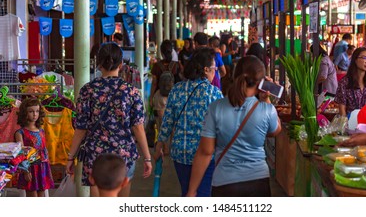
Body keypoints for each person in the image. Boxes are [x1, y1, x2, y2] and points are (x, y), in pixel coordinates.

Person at [186, 56, 281, 197]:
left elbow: (205, 152)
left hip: (224, 183)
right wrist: (266, 99)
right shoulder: (267, 109)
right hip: (258, 182)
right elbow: (275, 130)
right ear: (261, 82)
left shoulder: (215, 108)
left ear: (235, 75)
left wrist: (192, 190)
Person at [66, 42, 152, 197]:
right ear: (121, 64)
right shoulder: (131, 91)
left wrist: (70, 157)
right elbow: (138, 127)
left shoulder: (87, 90)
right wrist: (147, 157)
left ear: (99, 64)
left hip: (94, 155)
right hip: (124, 154)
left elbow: (81, 128)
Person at [154, 48, 223, 197]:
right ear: (206, 70)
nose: (215, 73)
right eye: (214, 69)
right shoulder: (214, 93)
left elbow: (167, 121)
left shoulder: (177, 89)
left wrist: (160, 144)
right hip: (204, 154)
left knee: (187, 191)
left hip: (180, 153)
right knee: (202, 194)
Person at [15, 98, 54, 197]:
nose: (35, 114)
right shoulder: (20, 133)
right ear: (24, 113)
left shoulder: (41, 131)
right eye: (31, 111)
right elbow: (21, 153)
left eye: (37, 111)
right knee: (32, 195)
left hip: (42, 167)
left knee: (42, 195)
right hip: (30, 168)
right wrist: (25, 171)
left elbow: (44, 149)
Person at [335, 47, 366, 116]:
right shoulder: (345, 82)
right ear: (355, 60)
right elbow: (342, 109)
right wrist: (346, 125)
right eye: (364, 58)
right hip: (350, 124)